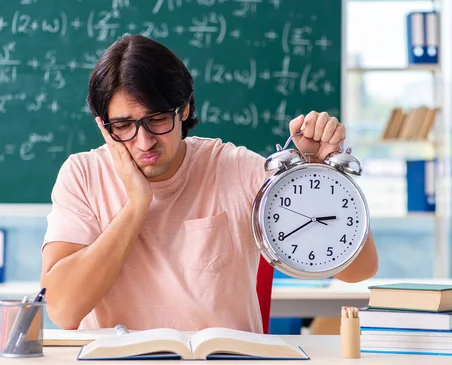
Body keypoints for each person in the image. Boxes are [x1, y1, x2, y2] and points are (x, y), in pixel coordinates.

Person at [40, 34, 378, 332]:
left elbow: (359, 270)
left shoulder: (237, 169)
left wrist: (321, 176)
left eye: (157, 119)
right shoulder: (82, 175)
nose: (144, 143)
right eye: (123, 126)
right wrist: (136, 206)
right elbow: (63, 310)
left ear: (184, 109)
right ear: (104, 126)